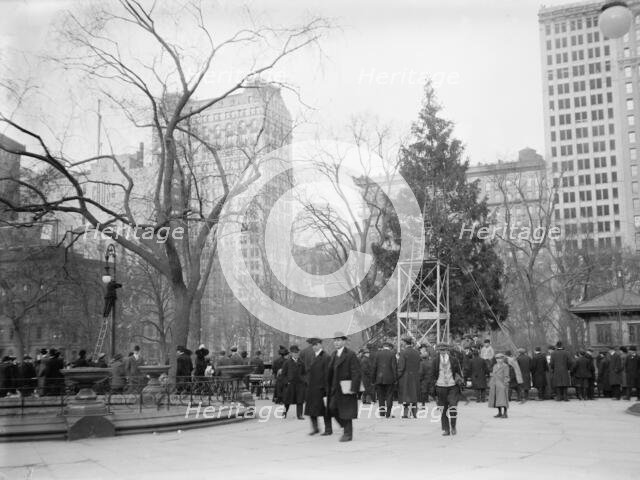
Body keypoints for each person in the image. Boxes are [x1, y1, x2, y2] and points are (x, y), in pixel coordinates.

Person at [326, 332, 362, 442]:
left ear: (344, 341)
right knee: (332, 408)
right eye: (335, 340)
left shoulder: (350, 354)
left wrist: (353, 389)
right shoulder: (333, 354)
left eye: (339, 340)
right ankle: (344, 426)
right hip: (335, 389)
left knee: (346, 412)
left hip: (346, 389)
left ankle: (348, 434)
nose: (336, 342)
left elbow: (356, 372)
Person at [430, 343, 463, 436]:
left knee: (453, 407)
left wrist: (460, 380)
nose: (442, 352)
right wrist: (433, 388)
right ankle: (446, 429)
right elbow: (432, 375)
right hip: (440, 387)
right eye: (441, 350)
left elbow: (459, 372)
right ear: (438, 351)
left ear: (447, 350)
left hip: (452, 386)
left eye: (444, 350)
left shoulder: (454, 360)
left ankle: (453, 426)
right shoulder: (435, 361)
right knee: (443, 409)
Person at [304, 338, 332, 435]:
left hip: (321, 389)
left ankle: (328, 429)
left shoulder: (326, 357)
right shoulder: (312, 356)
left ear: (320, 345)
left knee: (324, 410)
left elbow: (327, 374)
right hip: (312, 388)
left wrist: (326, 390)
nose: (314, 347)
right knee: (311, 410)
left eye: (316, 345)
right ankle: (315, 428)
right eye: (313, 345)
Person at [371, 341, 397, 418]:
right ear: (390, 347)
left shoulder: (377, 354)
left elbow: (374, 367)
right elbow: (394, 368)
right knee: (389, 396)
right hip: (389, 379)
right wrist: (395, 379)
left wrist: (373, 379)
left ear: (383, 346)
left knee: (380, 396)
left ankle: (382, 413)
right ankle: (388, 414)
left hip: (379, 378)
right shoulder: (392, 354)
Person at [397, 336, 421, 418]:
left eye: (402, 342)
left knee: (406, 396)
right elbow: (419, 365)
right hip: (415, 376)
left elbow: (401, 367)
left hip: (405, 377)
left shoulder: (403, 353)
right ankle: (414, 413)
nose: (401, 343)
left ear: (405, 343)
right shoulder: (417, 352)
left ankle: (406, 413)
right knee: (414, 395)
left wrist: (397, 376)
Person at [281, 345, 306, 419]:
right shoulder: (287, 363)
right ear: (291, 353)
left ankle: (299, 415)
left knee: (300, 400)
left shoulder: (301, 362)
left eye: (297, 352)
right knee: (287, 401)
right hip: (290, 385)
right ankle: (284, 413)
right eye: (295, 353)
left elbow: (304, 373)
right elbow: (283, 374)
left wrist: (303, 380)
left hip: (299, 384)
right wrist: (286, 382)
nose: (296, 354)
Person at [488, 353, 510, 418]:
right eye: (497, 358)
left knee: (504, 399)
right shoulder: (495, 366)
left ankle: (505, 413)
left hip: (502, 385)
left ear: (503, 359)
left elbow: (507, 376)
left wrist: (505, 384)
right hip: (495, 384)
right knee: (497, 399)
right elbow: (493, 374)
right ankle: (499, 412)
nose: (498, 360)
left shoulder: (505, 366)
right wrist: (491, 381)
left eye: (500, 358)